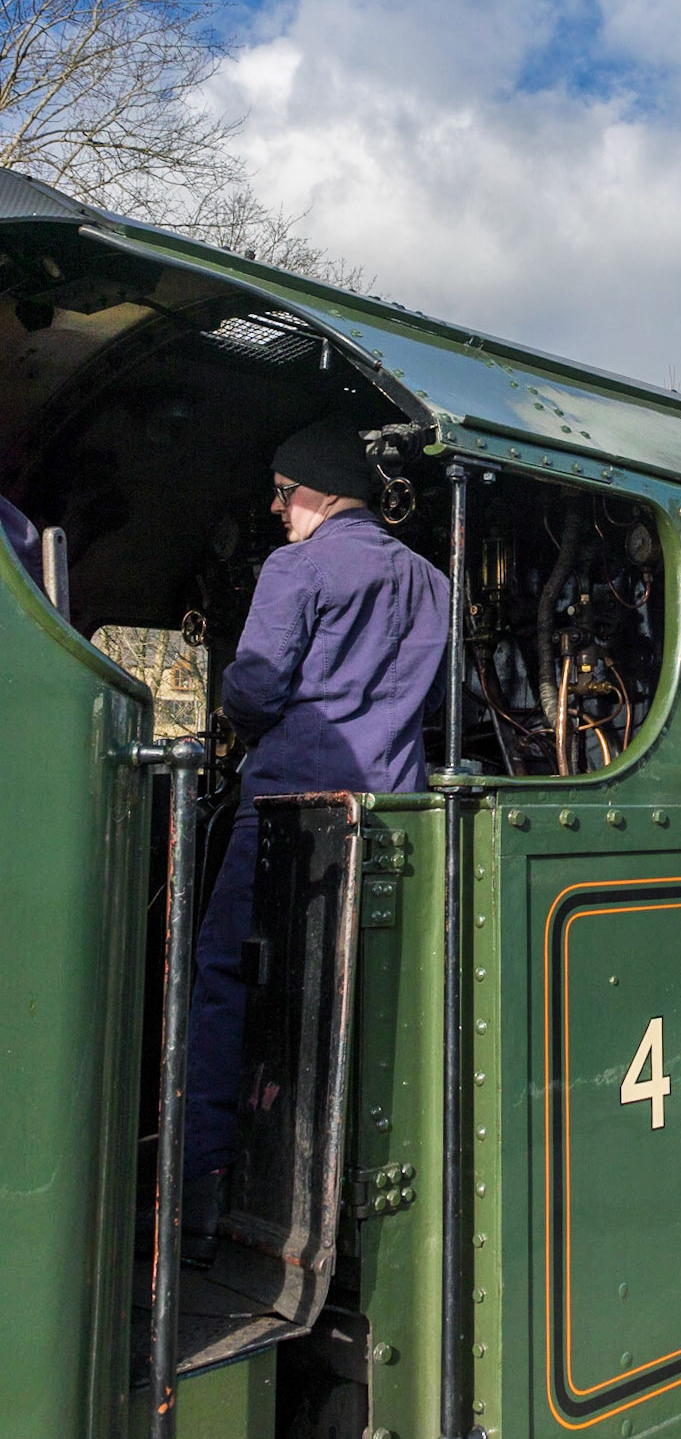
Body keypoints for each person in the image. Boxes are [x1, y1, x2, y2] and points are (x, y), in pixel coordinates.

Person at [180, 417, 450, 1260]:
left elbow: (253, 692)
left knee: (226, 977)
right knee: (360, 995)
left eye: (282, 493)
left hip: (288, 811)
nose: (276, 509)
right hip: (391, 815)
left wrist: (236, 708)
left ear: (321, 494)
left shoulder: (294, 568)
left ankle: (203, 1191)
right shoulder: (432, 583)